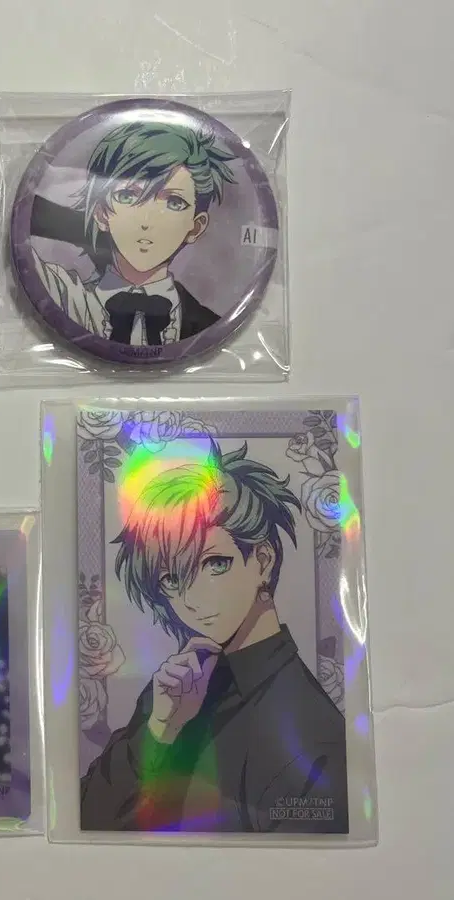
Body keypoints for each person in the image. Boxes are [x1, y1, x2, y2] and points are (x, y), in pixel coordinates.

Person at [80, 440, 349, 833]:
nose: (191, 598)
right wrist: (158, 730)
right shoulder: (175, 690)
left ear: (262, 560)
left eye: (214, 563)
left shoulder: (312, 737)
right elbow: (87, 818)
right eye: (171, 579)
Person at [30, 121, 236, 346]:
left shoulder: (209, 324)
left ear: (195, 227)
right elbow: (26, 213)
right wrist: (90, 229)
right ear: (101, 213)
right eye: (127, 196)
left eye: (174, 202)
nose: (147, 221)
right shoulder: (64, 294)